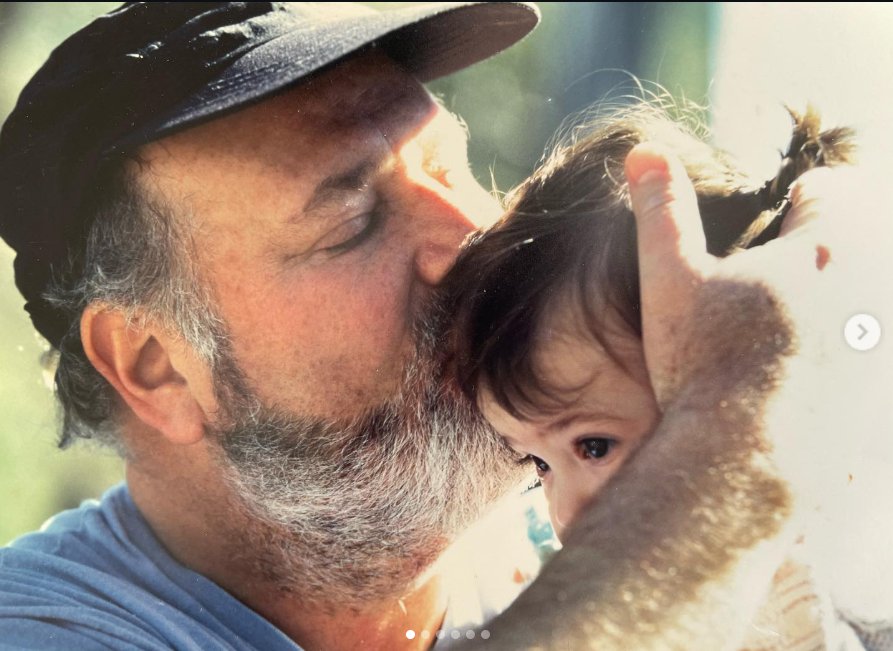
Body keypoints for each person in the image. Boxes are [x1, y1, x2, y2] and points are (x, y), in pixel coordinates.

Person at [0, 3, 884, 651]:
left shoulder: (575, 502)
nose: (470, 236)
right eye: (354, 220)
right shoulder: (48, 630)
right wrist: (731, 433)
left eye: (457, 169)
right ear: (154, 364)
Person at [443, 102, 878, 650]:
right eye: (538, 463)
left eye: (595, 445)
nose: (564, 512)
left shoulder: (829, 590)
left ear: (746, 361)